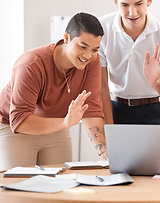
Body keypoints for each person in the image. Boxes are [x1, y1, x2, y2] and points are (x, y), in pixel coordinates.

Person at [0, 12, 108, 170]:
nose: (88, 55)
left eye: (94, 49)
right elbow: (20, 119)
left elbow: (90, 108)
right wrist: (65, 122)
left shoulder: (92, 61)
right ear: (66, 38)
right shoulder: (31, 64)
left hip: (56, 125)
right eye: (82, 47)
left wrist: (104, 152)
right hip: (15, 128)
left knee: (62, 183)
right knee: (21, 185)